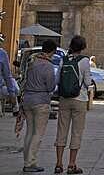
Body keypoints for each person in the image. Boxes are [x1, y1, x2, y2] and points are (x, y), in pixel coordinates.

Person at [55, 34, 93, 175]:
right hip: (80, 99)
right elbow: (88, 83)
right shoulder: (84, 61)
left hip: (64, 99)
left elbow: (57, 80)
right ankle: (71, 164)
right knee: (76, 132)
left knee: (61, 130)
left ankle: (59, 164)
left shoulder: (63, 60)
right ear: (82, 47)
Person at [20, 38, 58, 174]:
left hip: (28, 100)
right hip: (41, 101)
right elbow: (51, 86)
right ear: (53, 51)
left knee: (29, 131)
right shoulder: (47, 65)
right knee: (38, 133)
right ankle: (30, 162)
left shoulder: (32, 61)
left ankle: (27, 160)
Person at [0, 33, 19, 115]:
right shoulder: (2, 54)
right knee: (15, 88)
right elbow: (7, 76)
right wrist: (12, 95)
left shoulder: (2, 54)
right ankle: (16, 108)